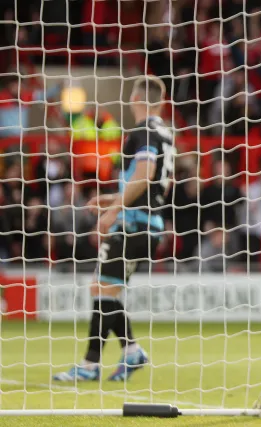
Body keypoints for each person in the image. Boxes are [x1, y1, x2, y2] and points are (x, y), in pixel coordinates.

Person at [53, 76, 176, 382]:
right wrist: (115, 198)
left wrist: (115, 208)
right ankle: (116, 355)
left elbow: (146, 174)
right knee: (104, 288)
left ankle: (102, 361)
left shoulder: (143, 130)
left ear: (135, 99)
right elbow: (160, 182)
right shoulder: (165, 132)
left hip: (134, 224)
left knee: (102, 287)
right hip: (150, 221)